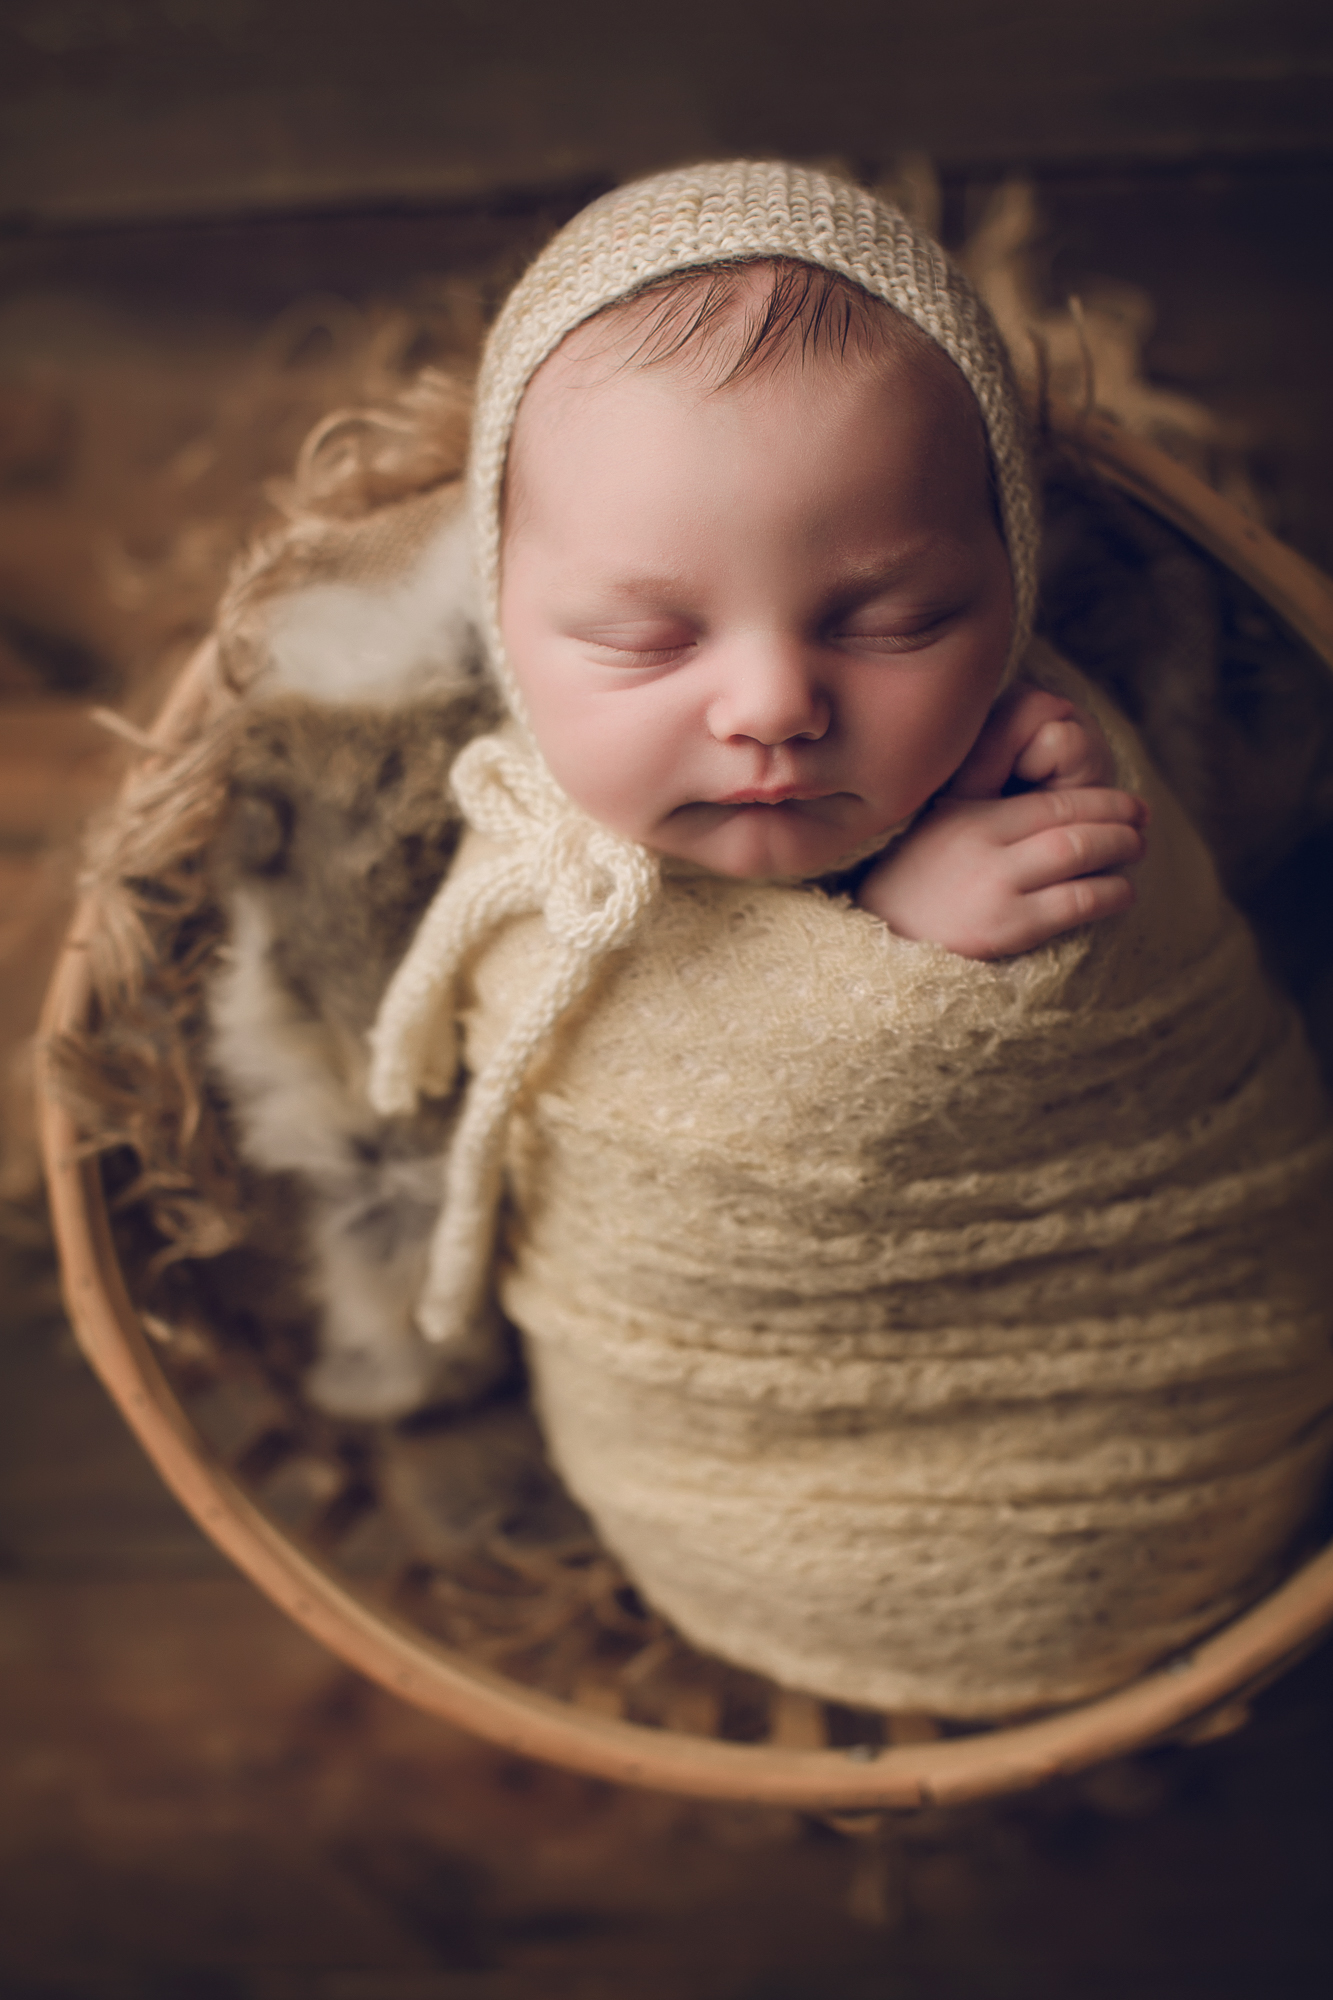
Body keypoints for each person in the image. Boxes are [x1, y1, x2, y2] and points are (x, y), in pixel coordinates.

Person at [226, 162, 1333, 1716]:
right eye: (644, 638)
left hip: (1150, 1420)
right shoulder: (498, 834)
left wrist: (950, 989)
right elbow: (563, 1069)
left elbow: (1156, 1037)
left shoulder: (1063, 771)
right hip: (722, 1472)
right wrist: (862, 963)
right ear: (501, 614)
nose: (768, 705)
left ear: (1011, 587)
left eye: (887, 621)